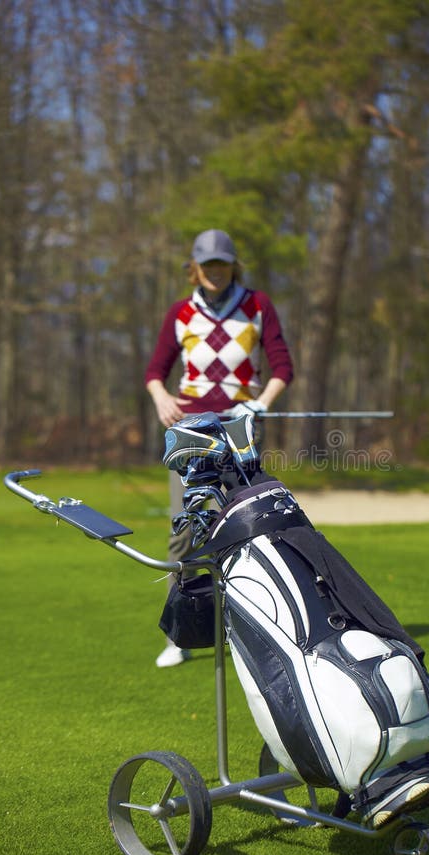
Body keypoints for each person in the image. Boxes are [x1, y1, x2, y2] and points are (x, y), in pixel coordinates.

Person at [145, 228, 294, 666]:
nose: (215, 272)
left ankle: (252, 628)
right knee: (187, 530)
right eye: (207, 264)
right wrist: (161, 398)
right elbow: (156, 371)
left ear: (233, 264)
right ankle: (182, 633)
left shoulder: (257, 305)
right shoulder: (180, 312)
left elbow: (282, 365)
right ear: (195, 266)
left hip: (239, 427)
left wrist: (260, 404)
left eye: (222, 263)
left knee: (248, 525)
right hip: (191, 430)